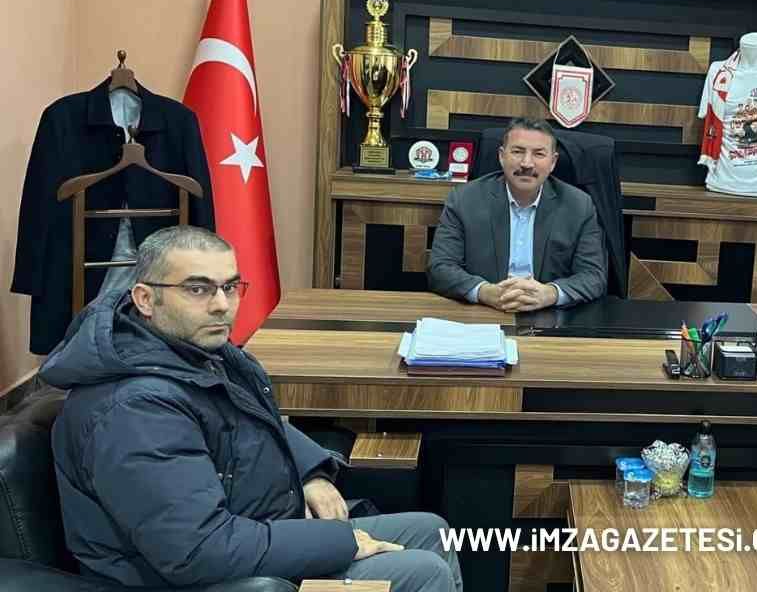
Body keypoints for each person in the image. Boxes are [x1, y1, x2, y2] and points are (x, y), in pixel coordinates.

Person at [40, 226, 462, 591]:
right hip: (202, 577)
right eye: (198, 289)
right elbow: (197, 550)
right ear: (146, 299)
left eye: (229, 287)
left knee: (433, 531)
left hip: (257, 527)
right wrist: (342, 543)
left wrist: (310, 472)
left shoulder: (197, 352)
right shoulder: (134, 409)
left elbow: (254, 420)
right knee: (420, 572)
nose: (221, 305)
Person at [428, 116, 607, 311]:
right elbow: (440, 268)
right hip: (483, 312)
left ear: (553, 162)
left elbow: (593, 276)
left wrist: (550, 294)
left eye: (539, 154)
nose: (527, 163)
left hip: (550, 315)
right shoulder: (464, 200)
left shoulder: (579, 206)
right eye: (518, 151)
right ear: (501, 156)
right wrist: (484, 292)